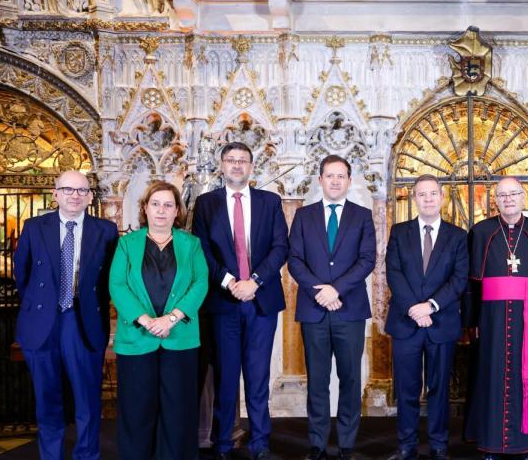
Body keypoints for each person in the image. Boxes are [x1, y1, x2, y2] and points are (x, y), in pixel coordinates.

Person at [193, 142, 289, 460]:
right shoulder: (206, 204)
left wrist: (255, 281)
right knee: (226, 375)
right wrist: (230, 281)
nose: (237, 165)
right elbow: (202, 250)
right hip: (224, 301)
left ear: (251, 166)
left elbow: (280, 247)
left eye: (243, 160)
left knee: (258, 376)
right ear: (222, 165)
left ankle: (260, 442)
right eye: (231, 160)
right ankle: (222, 443)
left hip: (261, 301)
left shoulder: (270, 202)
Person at [13, 170, 118, 460]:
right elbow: (21, 274)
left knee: (87, 398)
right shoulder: (34, 226)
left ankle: (87, 455)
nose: (75, 195)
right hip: (42, 321)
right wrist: (41, 304)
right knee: (47, 398)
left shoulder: (106, 230)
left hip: (82, 320)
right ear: (55, 193)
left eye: (82, 190)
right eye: (68, 189)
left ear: (90, 196)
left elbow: (111, 278)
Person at [109, 181, 208, 460]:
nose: (161, 210)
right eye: (155, 204)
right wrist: (146, 320)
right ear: (145, 208)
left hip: (180, 339)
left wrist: (171, 319)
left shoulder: (192, 244)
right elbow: (117, 285)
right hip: (137, 340)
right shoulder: (127, 244)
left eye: (168, 205)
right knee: (136, 410)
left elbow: (200, 283)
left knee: (179, 411)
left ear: (177, 211)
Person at [288, 154, 376, 460]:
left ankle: (347, 443)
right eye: (330, 175)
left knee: (350, 378)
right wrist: (319, 291)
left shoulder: (363, 216)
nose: (336, 181)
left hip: (349, 309)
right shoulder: (304, 215)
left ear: (349, 181)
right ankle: (317, 442)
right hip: (314, 310)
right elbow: (295, 260)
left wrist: (336, 289)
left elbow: (367, 259)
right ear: (320, 180)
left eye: (341, 176)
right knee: (318, 378)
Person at [463, 176, 528, 458]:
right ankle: (490, 440)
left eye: (513, 194)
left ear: (523, 196)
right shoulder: (480, 232)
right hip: (491, 319)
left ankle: (526, 440)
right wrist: (471, 322)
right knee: (491, 375)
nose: (508, 199)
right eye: (502, 196)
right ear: (496, 201)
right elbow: (471, 284)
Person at [384, 175, 469, 460]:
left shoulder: (458, 236)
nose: (428, 199)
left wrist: (430, 306)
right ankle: (407, 444)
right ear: (414, 198)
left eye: (433, 194)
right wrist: (414, 308)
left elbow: (459, 280)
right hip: (406, 323)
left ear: (442, 197)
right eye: (423, 194)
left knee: (439, 388)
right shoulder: (399, 231)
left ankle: (438, 444)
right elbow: (393, 273)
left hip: (441, 323)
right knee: (407, 390)